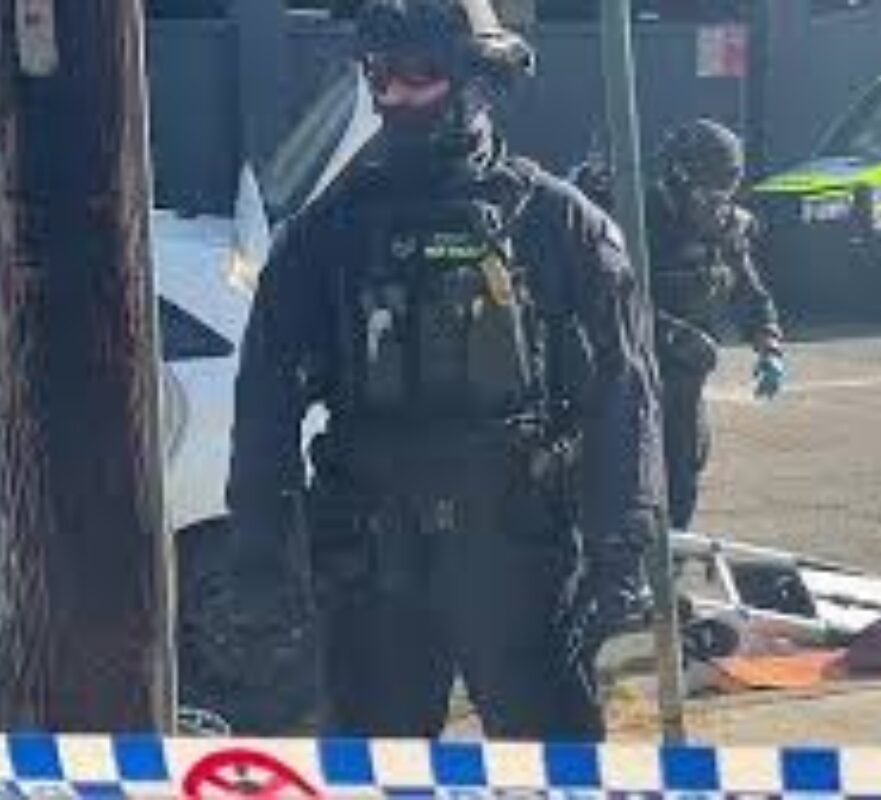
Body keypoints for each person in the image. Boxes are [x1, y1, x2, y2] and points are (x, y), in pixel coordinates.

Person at [227, 0, 667, 740]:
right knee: (374, 772)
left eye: (419, 72)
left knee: (553, 771)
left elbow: (625, 391)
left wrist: (622, 543)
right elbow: (264, 405)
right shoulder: (325, 234)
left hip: (516, 557)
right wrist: (259, 559)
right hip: (373, 565)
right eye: (379, 75)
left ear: (476, 78)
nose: (395, 95)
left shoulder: (557, 224)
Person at [645, 118, 786, 531]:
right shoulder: (642, 224)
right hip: (634, 381)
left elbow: (749, 291)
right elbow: (617, 302)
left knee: (683, 473)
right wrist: (673, 336)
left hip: (685, 386)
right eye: (708, 193)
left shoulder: (726, 228)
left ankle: (672, 561)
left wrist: (768, 343)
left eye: (725, 194)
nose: (717, 205)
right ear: (679, 181)